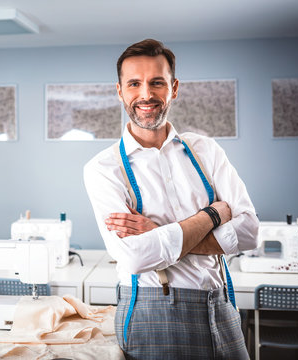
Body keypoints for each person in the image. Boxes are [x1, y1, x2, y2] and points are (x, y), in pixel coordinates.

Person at [83, 39, 259, 359]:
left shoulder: (206, 150)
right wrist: (212, 215)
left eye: (157, 83)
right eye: (134, 83)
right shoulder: (103, 169)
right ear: (120, 91)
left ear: (174, 88)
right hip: (153, 312)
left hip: (221, 306)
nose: (146, 94)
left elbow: (249, 231)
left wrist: (160, 231)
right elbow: (135, 257)